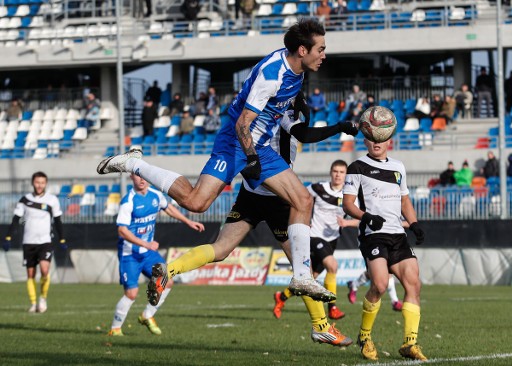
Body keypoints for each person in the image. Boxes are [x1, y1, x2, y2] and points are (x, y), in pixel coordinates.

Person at [97, 19, 335, 302]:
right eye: (320, 49)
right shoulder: (272, 75)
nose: (324, 55)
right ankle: (134, 163)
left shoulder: (296, 71)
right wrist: (252, 160)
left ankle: (302, 277)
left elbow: (283, 102)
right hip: (236, 142)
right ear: (301, 50)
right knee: (196, 203)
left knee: (303, 201)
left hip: (260, 147)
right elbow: (242, 124)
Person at [147, 108, 358, 345]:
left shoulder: (258, 112)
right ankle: (321, 327)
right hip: (277, 194)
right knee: (302, 267)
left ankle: (169, 270)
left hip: (251, 191)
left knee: (221, 248)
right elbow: (305, 134)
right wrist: (339, 127)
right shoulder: (284, 111)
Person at [343, 137, 426, 361]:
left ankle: (410, 343)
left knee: (413, 284)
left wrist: (414, 223)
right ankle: (365, 336)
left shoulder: (398, 166)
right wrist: (366, 217)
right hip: (373, 234)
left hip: (397, 234)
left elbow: (405, 200)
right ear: (365, 141)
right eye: (371, 138)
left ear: (389, 139)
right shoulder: (357, 167)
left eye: (380, 138)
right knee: (379, 285)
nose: (375, 142)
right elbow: (348, 203)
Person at [108, 173, 205, 336]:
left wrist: (188, 221)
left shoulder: (155, 195)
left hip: (148, 254)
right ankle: (115, 329)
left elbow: (169, 208)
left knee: (167, 281)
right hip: (129, 254)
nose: (141, 179)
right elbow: (122, 231)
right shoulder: (128, 201)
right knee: (131, 294)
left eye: (143, 176)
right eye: (137, 176)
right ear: (132, 177)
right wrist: (145, 243)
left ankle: (147, 315)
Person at [273, 160, 357, 321]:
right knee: (333, 266)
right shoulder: (318, 188)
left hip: (332, 240)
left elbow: (360, 218)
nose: (338, 175)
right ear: (331, 172)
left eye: (341, 172)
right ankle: (332, 308)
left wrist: (347, 222)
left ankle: (281, 297)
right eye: (335, 171)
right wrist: (302, 218)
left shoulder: (349, 195)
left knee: (310, 278)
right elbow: (300, 199)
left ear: (346, 175)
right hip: (315, 235)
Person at [4, 172, 65, 313]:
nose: (39, 185)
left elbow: (58, 221)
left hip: (45, 241)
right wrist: (8, 237)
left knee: (45, 271)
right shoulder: (25, 200)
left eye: (42, 182)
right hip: (28, 242)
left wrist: (62, 238)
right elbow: (15, 219)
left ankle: (42, 298)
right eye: (37, 182)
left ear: (46, 184)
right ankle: (33, 303)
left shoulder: (52, 200)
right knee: (30, 274)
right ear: (33, 183)